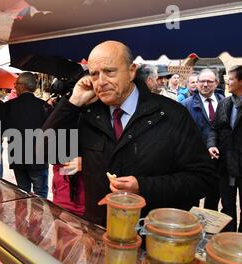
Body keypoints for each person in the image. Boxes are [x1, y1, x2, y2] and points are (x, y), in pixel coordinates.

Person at [44, 40, 216, 226]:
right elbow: (43, 151)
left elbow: (203, 179)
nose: (100, 82)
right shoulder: (86, 114)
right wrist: (72, 103)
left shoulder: (171, 114)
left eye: (109, 71)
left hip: (150, 236)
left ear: (132, 70)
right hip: (100, 232)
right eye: (94, 74)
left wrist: (144, 187)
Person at [207, 65, 242, 233]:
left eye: (231, 79)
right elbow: (214, 129)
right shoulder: (224, 103)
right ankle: (227, 241)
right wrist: (211, 145)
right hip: (224, 165)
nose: (227, 82)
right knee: (227, 209)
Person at [2, 72, 50, 198]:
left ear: (22, 86)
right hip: (39, 158)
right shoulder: (44, 106)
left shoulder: (9, 106)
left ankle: (21, 218)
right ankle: (38, 218)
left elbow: (2, 130)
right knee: (40, 194)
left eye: (15, 84)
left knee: (21, 193)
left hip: (17, 156)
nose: (14, 87)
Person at [182, 69, 225, 211]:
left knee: (213, 198)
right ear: (197, 83)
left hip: (219, 161)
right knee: (192, 198)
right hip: (195, 161)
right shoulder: (186, 105)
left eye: (209, 81)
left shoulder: (224, 102)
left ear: (216, 83)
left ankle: (209, 231)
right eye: (202, 81)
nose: (205, 84)